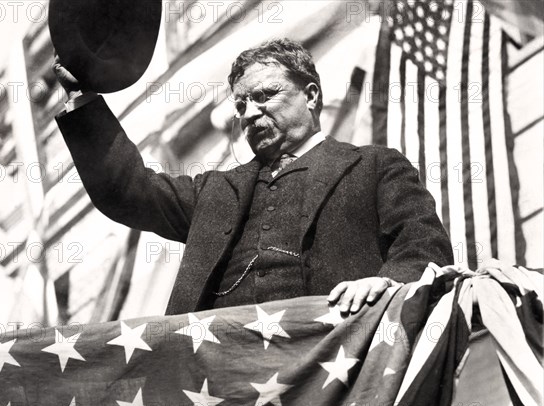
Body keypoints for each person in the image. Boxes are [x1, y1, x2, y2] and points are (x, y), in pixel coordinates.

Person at [54, 38, 453, 316]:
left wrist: (384, 284)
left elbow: (423, 245)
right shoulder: (214, 192)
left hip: (330, 361)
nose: (249, 113)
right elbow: (128, 192)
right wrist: (81, 102)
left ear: (311, 95)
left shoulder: (375, 166)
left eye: (265, 95)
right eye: (242, 104)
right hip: (217, 378)